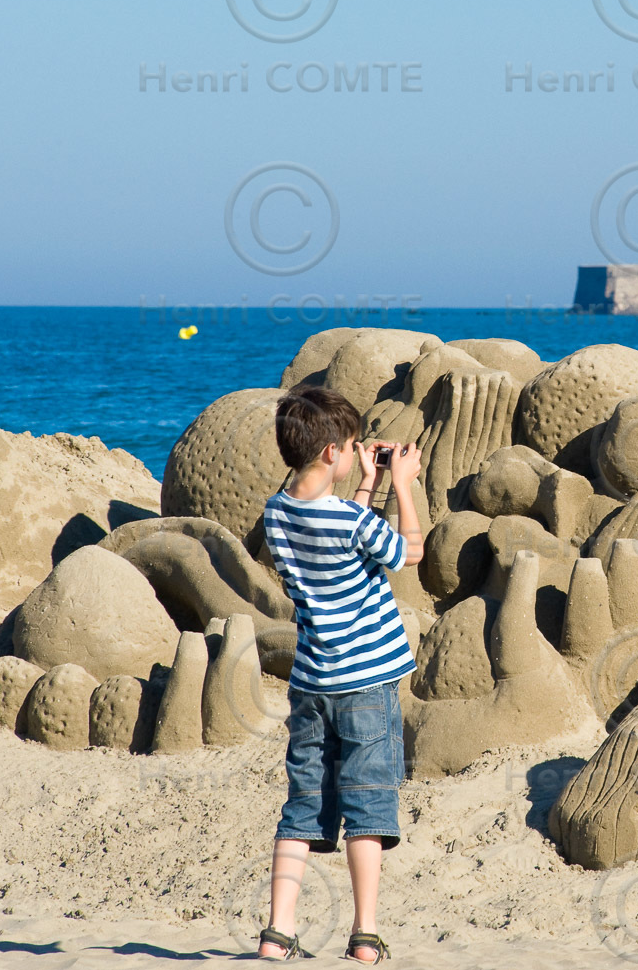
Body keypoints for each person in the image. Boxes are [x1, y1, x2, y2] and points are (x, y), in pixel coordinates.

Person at [254, 384, 424, 963]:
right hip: (367, 683)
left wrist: (367, 480)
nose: (356, 455)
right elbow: (406, 554)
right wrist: (402, 484)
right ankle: (366, 934)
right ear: (331, 452)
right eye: (351, 447)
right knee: (370, 801)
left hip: (312, 681)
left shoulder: (276, 514)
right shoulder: (351, 520)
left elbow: (341, 526)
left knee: (303, 805)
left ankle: (277, 932)